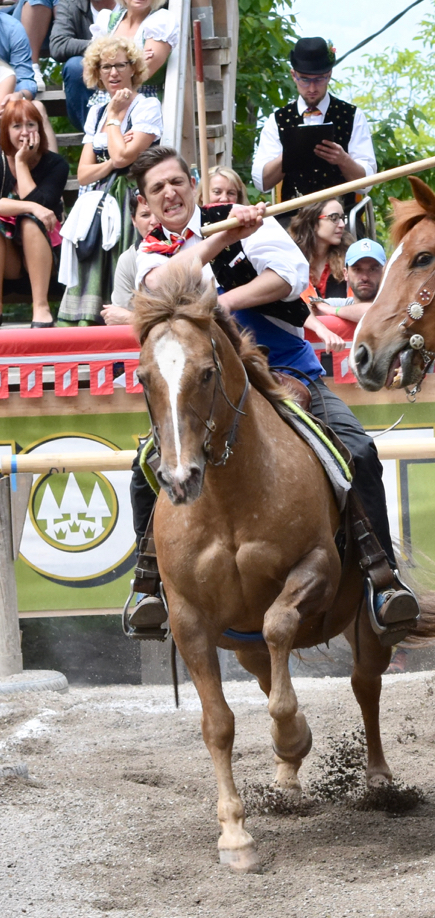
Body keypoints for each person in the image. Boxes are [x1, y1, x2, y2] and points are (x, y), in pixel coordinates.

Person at [120, 146, 419, 642]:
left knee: (359, 450)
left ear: (192, 183)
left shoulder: (244, 218)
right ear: (146, 201)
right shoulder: (150, 250)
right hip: (199, 385)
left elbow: (289, 277)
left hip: (282, 369)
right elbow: (163, 286)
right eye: (157, 188)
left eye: (176, 182)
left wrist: (217, 304)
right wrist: (221, 241)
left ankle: (381, 578)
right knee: (143, 468)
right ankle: (148, 586)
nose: (169, 193)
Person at [59, 33, 158, 323]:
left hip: (132, 199)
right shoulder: (95, 112)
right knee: (92, 264)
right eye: (105, 67)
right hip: (97, 203)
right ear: (97, 72)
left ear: (133, 69)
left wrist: (114, 118)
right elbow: (84, 172)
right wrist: (114, 159)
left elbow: (127, 159)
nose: (113, 72)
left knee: (123, 268)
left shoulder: (146, 107)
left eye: (120, 65)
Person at [251, 37, 376, 223]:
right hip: (293, 221)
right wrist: (289, 155)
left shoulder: (352, 116)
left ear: (329, 74)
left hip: (341, 220)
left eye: (319, 79)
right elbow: (262, 183)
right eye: (304, 79)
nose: (311, 88)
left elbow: (366, 184)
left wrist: (343, 160)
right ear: (293, 75)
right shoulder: (277, 121)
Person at [0, 96, 65, 325]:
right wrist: (31, 207)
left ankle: (41, 308)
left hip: (44, 256)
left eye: (31, 124)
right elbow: (34, 204)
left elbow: (42, 202)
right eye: (16, 126)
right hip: (9, 259)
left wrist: (21, 163)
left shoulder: (56, 165)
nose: (25, 132)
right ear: (6, 131)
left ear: (40, 128)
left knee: (29, 221)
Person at [49, 0, 116, 130]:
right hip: (92, 81)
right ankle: (94, 132)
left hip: (129, 75)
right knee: (74, 65)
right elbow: (58, 45)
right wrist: (98, 48)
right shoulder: (69, 2)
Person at [88, 0, 173, 95]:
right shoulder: (106, 19)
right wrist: (133, 60)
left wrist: (108, 64)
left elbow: (143, 74)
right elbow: (91, 69)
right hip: (105, 98)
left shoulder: (161, 21)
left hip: (143, 99)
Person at [288, 196, 350, 354]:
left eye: (342, 218)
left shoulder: (353, 260)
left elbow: (360, 304)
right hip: (301, 354)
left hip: (345, 352)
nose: (342, 225)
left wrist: (323, 308)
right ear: (313, 223)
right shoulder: (288, 262)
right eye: (334, 218)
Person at [101, 188, 151, 324]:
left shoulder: (186, 250)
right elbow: (117, 320)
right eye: (145, 215)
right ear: (133, 220)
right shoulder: (128, 259)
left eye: (158, 213)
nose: (154, 221)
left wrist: (130, 318)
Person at [310, 237, 384, 323]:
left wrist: (333, 311)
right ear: (346, 273)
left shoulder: (394, 305)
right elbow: (303, 311)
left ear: (385, 272)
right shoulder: (338, 304)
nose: (365, 277)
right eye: (357, 269)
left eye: (373, 269)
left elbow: (375, 312)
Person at [0, 8, 38, 103]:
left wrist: (20, 95)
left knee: (37, 106)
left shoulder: (12, 28)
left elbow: (24, 78)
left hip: (7, 95)